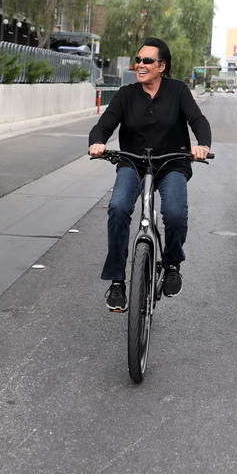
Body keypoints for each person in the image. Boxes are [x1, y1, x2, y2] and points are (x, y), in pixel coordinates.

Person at [87, 38, 211, 312]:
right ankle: (117, 281)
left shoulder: (178, 91)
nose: (140, 65)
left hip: (171, 163)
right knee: (118, 208)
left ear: (162, 66)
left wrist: (202, 145)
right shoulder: (126, 94)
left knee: (176, 213)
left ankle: (172, 265)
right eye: (138, 60)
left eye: (147, 61)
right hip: (133, 162)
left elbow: (198, 120)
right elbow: (103, 125)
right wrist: (97, 143)